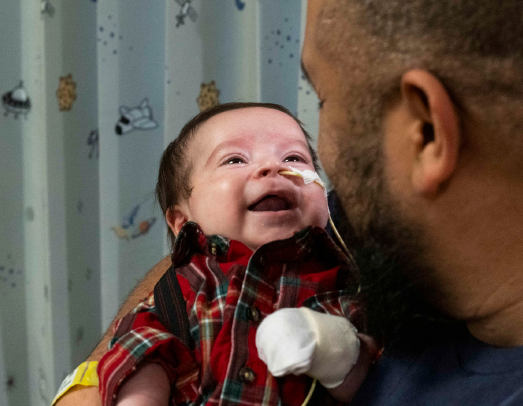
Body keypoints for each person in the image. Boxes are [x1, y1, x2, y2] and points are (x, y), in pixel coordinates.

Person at [55, 0, 523, 405]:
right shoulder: (369, 222)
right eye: (235, 159)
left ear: (425, 133)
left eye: (321, 98)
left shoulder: (338, 264)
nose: (271, 170)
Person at [97, 102, 376, 406]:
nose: (272, 168)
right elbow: (139, 343)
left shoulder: (347, 280)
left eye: (294, 157)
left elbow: (378, 372)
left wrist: (333, 350)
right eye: (234, 160)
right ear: (183, 222)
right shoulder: (178, 293)